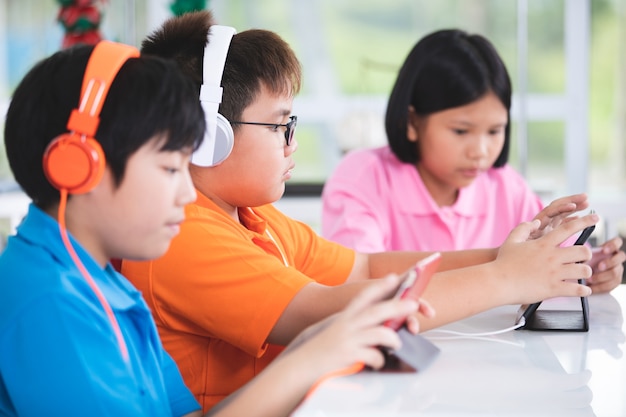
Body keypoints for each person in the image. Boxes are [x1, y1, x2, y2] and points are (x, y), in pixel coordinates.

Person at [122, 10, 600, 413]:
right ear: (210, 136)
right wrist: (503, 280)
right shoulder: (183, 233)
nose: (292, 142)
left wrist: (507, 256)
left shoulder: (253, 218)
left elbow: (364, 268)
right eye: (278, 125)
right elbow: (323, 314)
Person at [0, 41, 429, 417]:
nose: (187, 193)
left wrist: (319, 346)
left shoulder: (103, 283)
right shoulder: (49, 302)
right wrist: (308, 360)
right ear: (79, 167)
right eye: (170, 168)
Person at [321, 29, 624, 293]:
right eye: (461, 131)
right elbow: (355, 284)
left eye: (495, 131)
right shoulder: (363, 177)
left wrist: (588, 271)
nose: (480, 150)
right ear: (412, 122)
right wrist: (508, 264)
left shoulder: (506, 186)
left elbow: (549, 266)